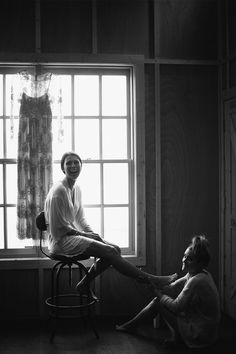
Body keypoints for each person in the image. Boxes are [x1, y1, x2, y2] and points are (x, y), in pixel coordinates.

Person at [44, 151, 177, 292]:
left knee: (115, 249)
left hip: (71, 235)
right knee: (110, 252)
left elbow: (80, 219)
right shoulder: (58, 191)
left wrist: (93, 234)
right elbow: (58, 228)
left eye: (76, 162)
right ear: (63, 168)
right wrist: (88, 237)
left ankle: (84, 283)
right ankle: (152, 280)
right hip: (60, 241)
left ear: (81, 165)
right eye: (68, 163)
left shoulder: (76, 189)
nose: (73, 165)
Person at [116, 235, 221, 350]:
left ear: (200, 263)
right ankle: (132, 327)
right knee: (160, 300)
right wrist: (148, 282)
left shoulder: (197, 281)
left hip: (200, 336)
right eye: (184, 256)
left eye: (189, 259)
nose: (184, 260)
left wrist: (155, 291)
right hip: (207, 332)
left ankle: (131, 327)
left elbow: (176, 307)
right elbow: (171, 288)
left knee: (159, 302)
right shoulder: (196, 273)